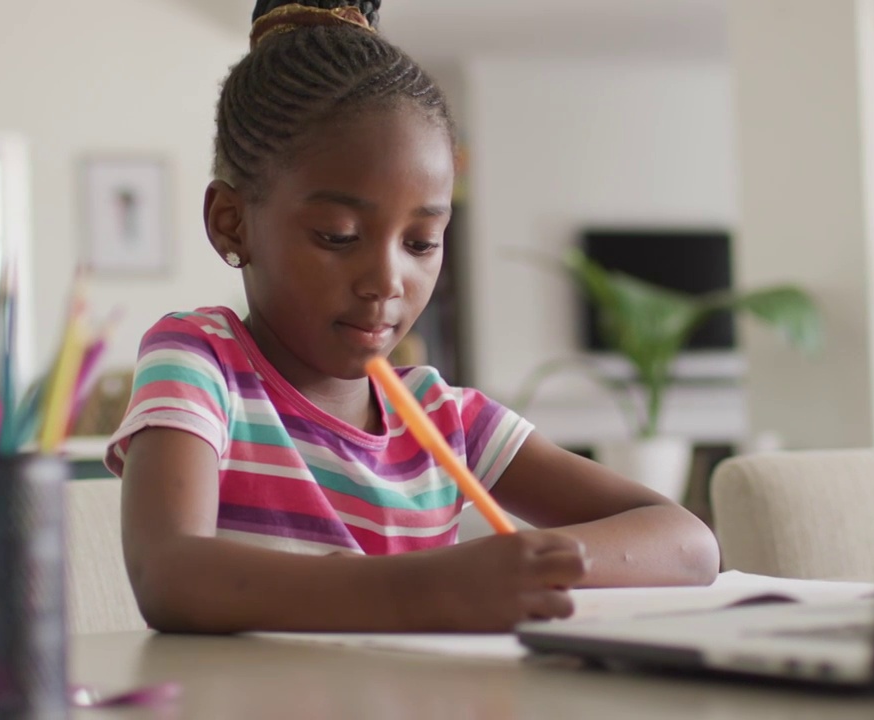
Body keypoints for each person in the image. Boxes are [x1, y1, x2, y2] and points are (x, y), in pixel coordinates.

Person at [108, 0, 720, 634]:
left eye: (422, 242)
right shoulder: (201, 362)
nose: (386, 281)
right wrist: (430, 589)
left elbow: (689, 542)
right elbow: (169, 574)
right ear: (232, 223)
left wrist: (528, 567)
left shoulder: (445, 417)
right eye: (338, 235)